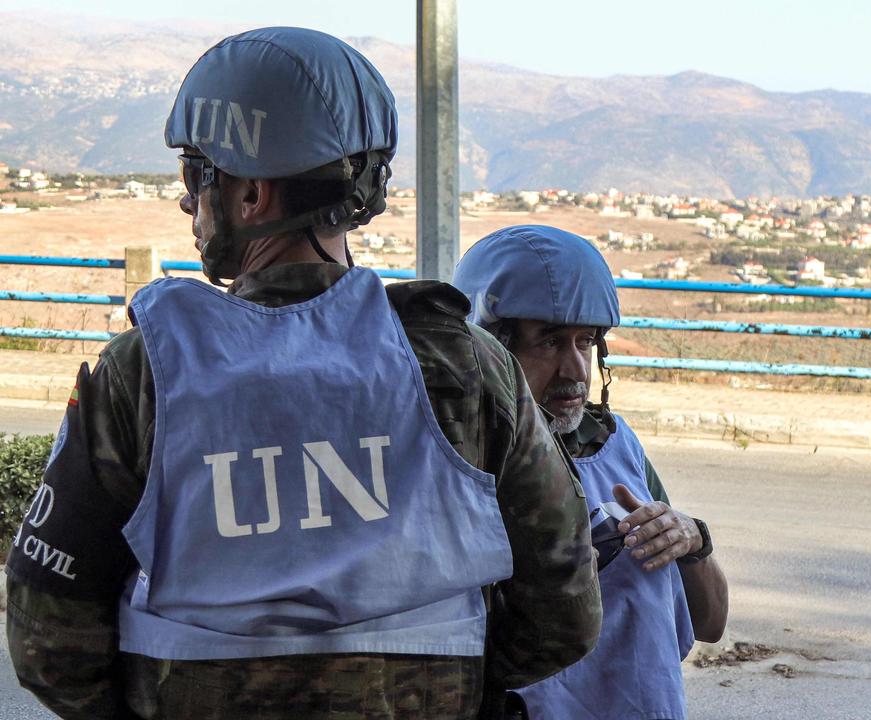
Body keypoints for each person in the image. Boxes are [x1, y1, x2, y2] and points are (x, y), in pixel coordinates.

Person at [5, 28, 600, 719]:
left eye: (198, 174)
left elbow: (47, 639)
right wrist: (439, 685)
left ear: (252, 194)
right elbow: (565, 610)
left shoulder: (145, 373)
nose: (186, 203)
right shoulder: (465, 364)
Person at [453, 224, 729, 720]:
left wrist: (692, 541)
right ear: (490, 349)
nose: (575, 369)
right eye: (550, 343)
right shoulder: (458, 459)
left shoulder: (614, 446)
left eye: (586, 341)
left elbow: (710, 624)